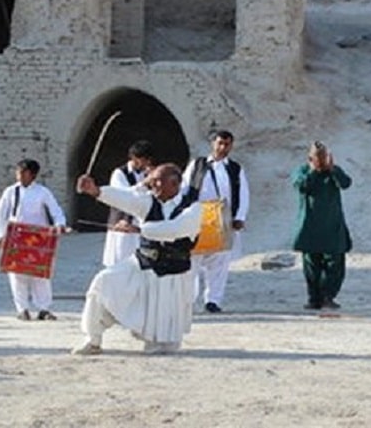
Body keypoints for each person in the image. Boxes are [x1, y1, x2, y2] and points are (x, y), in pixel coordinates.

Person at [72, 164, 202, 355]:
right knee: (103, 283)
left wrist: (140, 230)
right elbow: (127, 199)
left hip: (173, 271)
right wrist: (96, 191)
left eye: (159, 181)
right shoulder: (148, 201)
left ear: (174, 184)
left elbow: (175, 229)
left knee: (162, 344)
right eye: (153, 180)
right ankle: (93, 339)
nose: (153, 185)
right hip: (143, 263)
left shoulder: (194, 207)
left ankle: (159, 343)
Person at [182, 130, 249, 313]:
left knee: (220, 262)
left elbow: (242, 194)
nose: (223, 147)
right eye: (220, 143)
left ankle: (213, 300)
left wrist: (239, 217)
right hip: (198, 218)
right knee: (193, 261)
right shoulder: (197, 165)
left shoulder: (235, 169)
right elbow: (184, 188)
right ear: (213, 144)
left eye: (227, 144)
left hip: (222, 219)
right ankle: (188, 300)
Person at [0, 158, 66, 321]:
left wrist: (60, 224)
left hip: (38, 238)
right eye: (18, 172)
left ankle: (44, 308)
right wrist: (0, 235)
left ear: (32, 175)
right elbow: (2, 214)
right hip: (16, 237)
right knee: (16, 273)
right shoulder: (10, 192)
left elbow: (55, 210)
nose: (19, 175)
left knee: (40, 273)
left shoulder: (43, 192)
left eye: (23, 172)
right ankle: (22, 308)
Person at [291, 141, 352, 310]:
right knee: (312, 267)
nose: (321, 160)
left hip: (333, 227)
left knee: (335, 266)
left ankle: (328, 297)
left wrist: (332, 169)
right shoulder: (302, 172)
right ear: (310, 158)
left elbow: (346, 183)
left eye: (323, 156)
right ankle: (314, 298)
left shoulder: (333, 172)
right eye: (317, 157)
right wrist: (312, 170)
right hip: (310, 228)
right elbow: (301, 186)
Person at [102, 140, 153, 267]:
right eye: (144, 160)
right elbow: (123, 197)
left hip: (140, 226)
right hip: (122, 224)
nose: (147, 164)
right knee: (119, 262)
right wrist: (144, 184)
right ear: (135, 159)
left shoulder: (147, 173)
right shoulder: (119, 174)